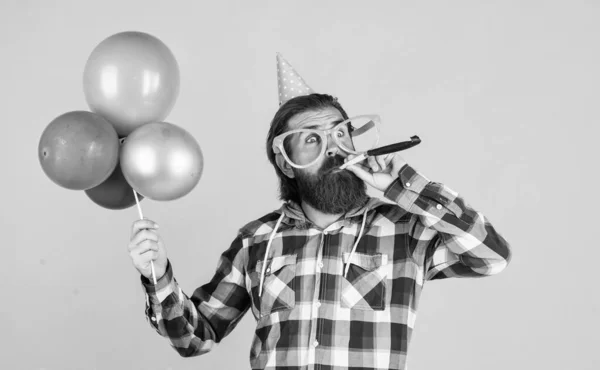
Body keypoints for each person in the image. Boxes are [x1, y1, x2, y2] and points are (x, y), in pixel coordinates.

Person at [127, 54, 512, 370]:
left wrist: (404, 186)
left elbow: (490, 256)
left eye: (340, 133)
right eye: (312, 138)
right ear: (286, 163)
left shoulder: (405, 231)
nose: (333, 147)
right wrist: (158, 275)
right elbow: (195, 337)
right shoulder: (256, 241)